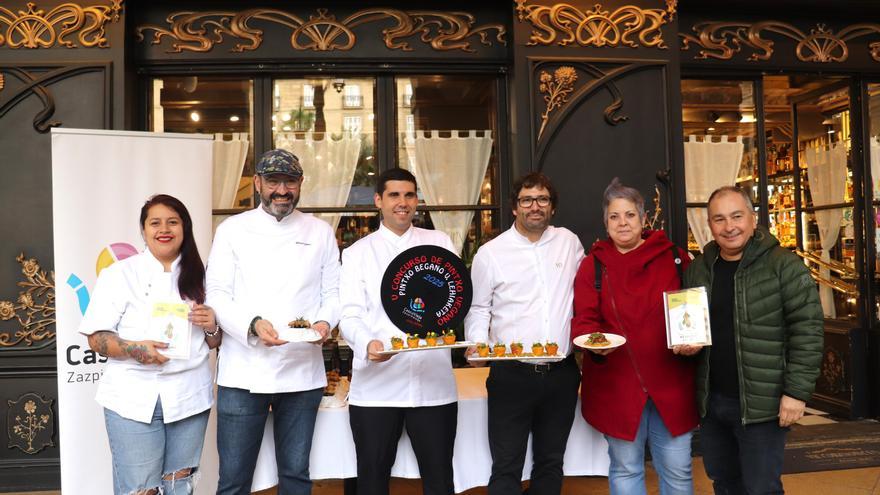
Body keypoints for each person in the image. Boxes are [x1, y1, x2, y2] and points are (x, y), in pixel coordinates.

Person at [206, 149, 340, 495]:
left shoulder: (320, 231)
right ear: (257, 183)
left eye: (290, 181)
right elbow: (216, 292)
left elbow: (333, 292)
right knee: (234, 479)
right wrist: (252, 324)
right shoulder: (232, 230)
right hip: (243, 369)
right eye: (273, 181)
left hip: (301, 369)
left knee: (295, 474)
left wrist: (324, 323)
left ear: (301, 183)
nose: (282, 190)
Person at [680, 185, 823, 494]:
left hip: (763, 405)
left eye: (736, 216)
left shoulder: (784, 265)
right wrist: (687, 346)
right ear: (709, 225)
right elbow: (689, 325)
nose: (729, 226)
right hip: (713, 403)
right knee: (725, 484)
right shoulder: (699, 269)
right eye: (719, 219)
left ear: (753, 218)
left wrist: (796, 393)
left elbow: (808, 330)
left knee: (762, 488)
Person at [79, 194, 221, 495]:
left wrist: (212, 325)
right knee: (141, 490)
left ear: (185, 228)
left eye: (173, 222)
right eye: (155, 223)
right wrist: (135, 349)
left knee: (179, 487)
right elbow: (96, 338)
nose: (164, 229)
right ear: (143, 230)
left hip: (189, 398)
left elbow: (213, 342)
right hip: (131, 398)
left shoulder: (204, 277)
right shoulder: (119, 274)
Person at [571, 178, 698, 495]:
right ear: (606, 223)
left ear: (643, 219)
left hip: (672, 382)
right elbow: (585, 319)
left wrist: (694, 340)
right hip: (618, 386)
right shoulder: (593, 266)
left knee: (678, 471)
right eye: (614, 216)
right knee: (625, 469)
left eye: (629, 215)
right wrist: (592, 342)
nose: (622, 222)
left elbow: (693, 310)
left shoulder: (675, 258)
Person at [339, 168, 459, 495]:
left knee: (440, 481)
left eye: (409, 195)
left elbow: (455, 299)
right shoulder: (357, 253)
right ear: (378, 200)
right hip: (376, 388)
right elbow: (349, 314)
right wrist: (367, 343)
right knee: (371, 482)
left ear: (417, 200)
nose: (402, 202)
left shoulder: (439, 243)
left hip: (433, 384)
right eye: (394, 195)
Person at [465, 172, 584, 495]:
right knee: (506, 465)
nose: (535, 206)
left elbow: (586, 295)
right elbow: (479, 308)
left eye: (542, 199)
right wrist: (478, 344)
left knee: (551, 463)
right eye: (527, 200)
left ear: (552, 207)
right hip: (511, 374)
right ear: (515, 207)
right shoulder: (491, 252)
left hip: (561, 374)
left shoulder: (569, 242)